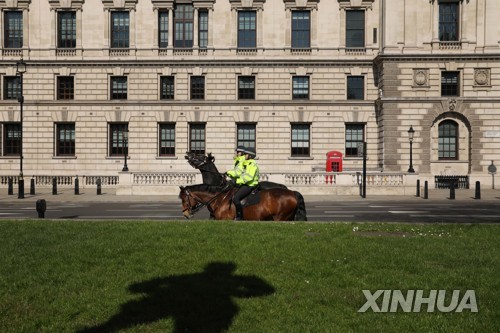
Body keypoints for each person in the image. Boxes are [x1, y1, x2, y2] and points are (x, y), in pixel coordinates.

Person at [229, 147, 259, 220]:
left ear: (250, 156)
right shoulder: (247, 163)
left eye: (246, 154)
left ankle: (240, 216)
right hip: (245, 184)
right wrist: (229, 173)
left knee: (236, 198)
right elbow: (240, 173)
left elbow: (248, 177)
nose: (244, 155)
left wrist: (237, 181)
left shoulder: (252, 164)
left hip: (250, 185)